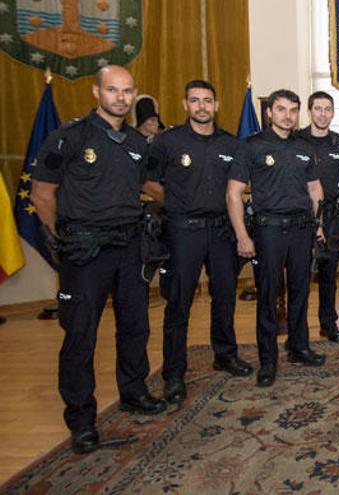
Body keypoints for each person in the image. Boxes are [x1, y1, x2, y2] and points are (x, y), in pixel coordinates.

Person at [31, 65, 166, 455]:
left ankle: (134, 391)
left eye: (126, 91)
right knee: (80, 336)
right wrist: (63, 240)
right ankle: (81, 419)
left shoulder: (138, 143)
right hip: (85, 251)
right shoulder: (69, 137)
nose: (120, 97)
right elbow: (43, 194)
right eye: (112, 90)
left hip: (129, 248)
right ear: (96, 92)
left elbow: (148, 185)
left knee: (135, 325)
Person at [143, 80, 253, 405]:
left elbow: (240, 188)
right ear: (185, 103)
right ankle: (174, 373)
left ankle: (225, 354)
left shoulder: (232, 144)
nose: (202, 106)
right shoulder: (168, 141)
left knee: (224, 296)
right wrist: (174, 201)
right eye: (195, 100)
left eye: (208, 100)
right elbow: (147, 179)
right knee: (178, 303)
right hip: (182, 231)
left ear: (216, 106)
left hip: (220, 231)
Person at [227, 89, 325, 388]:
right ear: (269, 112)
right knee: (268, 297)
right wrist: (242, 235)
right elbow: (233, 193)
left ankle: (299, 347)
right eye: (281, 109)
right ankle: (268, 360)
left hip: (301, 230)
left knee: (300, 292)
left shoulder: (305, 147)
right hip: (268, 230)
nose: (288, 116)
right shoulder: (252, 146)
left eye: (293, 110)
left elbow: (315, 190)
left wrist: (317, 225)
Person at [295, 91, 339, 343]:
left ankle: (328, 324)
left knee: (328, 276)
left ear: (333, 113)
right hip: (300, 216)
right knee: (300, 277)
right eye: (318, 109)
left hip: (331, 216)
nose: (323, 114)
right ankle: (298, 331)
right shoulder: (295, 140)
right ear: (309, 111)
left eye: (328, 109)